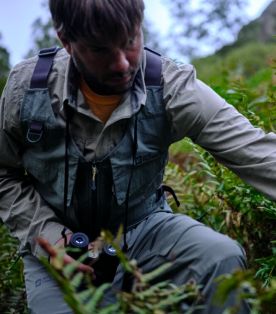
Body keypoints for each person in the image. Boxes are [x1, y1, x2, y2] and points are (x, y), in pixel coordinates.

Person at [0, 0, 275, 313]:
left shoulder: (171, 86)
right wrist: (49, 238)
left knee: (219, 256)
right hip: (56, 248)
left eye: (130, 41)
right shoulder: (26, 90)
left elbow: (259, 153)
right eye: (100, 50)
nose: (121, 64)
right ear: (66, 42)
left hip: (144, 230)